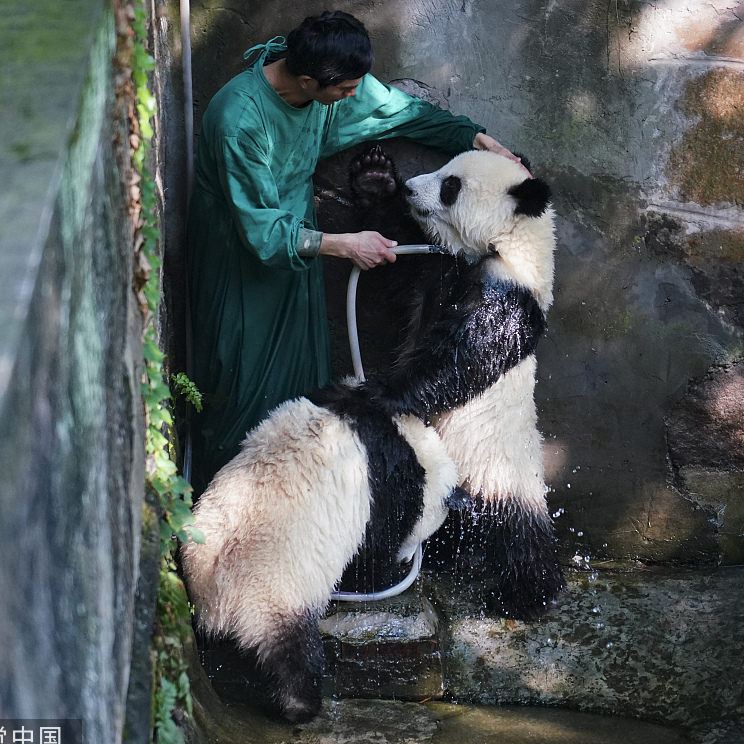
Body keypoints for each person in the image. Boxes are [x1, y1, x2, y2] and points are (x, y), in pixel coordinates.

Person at [186, 11, 523, 493]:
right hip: (237, 256)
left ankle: (285, 509)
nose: (353, 97)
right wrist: (345, 244)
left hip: (297, 244)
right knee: (238, 379)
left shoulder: (326, 85)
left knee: (298, 383)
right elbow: (260, 234)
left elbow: (398, 110)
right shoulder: (238, 121)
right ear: (308, 81)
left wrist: (471, 136)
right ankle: (217, 510)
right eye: (345, 91)